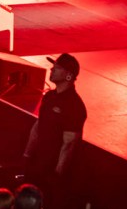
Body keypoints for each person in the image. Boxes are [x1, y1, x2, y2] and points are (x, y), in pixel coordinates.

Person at [23, 53, 87, 186]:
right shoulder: (49, 96)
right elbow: (38, 126)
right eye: (53, 67)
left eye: (57, 68)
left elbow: (69, 144)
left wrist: (57, 175)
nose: (52, 70)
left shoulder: (75, 106)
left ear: (68, 75)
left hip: (51, 170)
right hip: (37, 162)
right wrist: (27, 156)